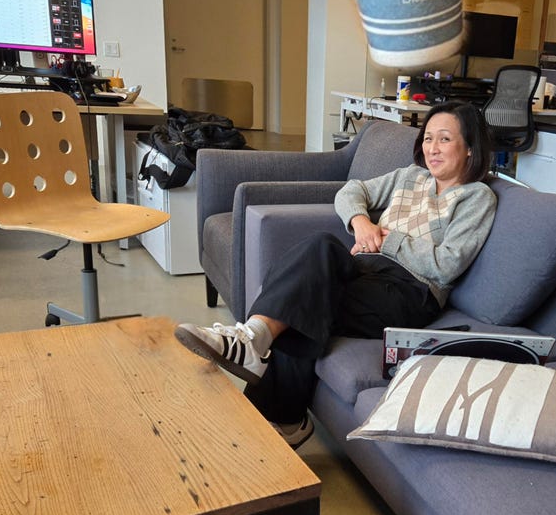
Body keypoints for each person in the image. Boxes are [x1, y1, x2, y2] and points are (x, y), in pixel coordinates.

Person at [175, 100, 498, 447]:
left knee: (303, 296)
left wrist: (386, 239)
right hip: (363, 268)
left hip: (410, 291)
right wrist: (361, 222)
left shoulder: (476, 198)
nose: (432, 149)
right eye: (428, 138)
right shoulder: (411, 176)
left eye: (445, 140)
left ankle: (264, 370)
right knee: (317, 252)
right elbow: (352, 190)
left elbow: (447, 264)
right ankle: (258, 348)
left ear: (469, 149)